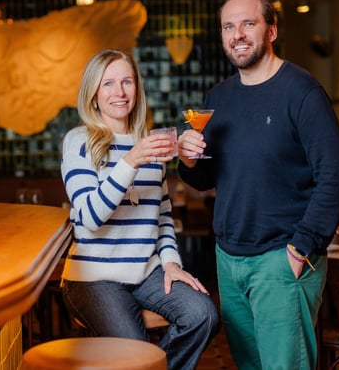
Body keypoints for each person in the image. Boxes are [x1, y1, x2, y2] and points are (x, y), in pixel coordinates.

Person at [177, 0, 339, 370]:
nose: (237, 34)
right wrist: (187, 158)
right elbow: (208, 177)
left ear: (270, 31)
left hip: (281, 258)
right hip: (229, 258)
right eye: (228, 26)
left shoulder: (302, 92)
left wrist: (301, 248)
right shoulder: (219, 98)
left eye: (248, 24)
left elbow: (334, 177)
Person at [60, 49, 220, 370]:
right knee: (135, 356)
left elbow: (162, 217)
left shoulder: (152, 143)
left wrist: (172, 262)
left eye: (126, 82)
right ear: (93, 93)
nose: (119, 92)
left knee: (203, 315)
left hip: (145, 273)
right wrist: (131, 160)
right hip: (92, 278)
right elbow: (90, 218)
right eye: (108, 84)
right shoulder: (79, 141)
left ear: (137, 89)